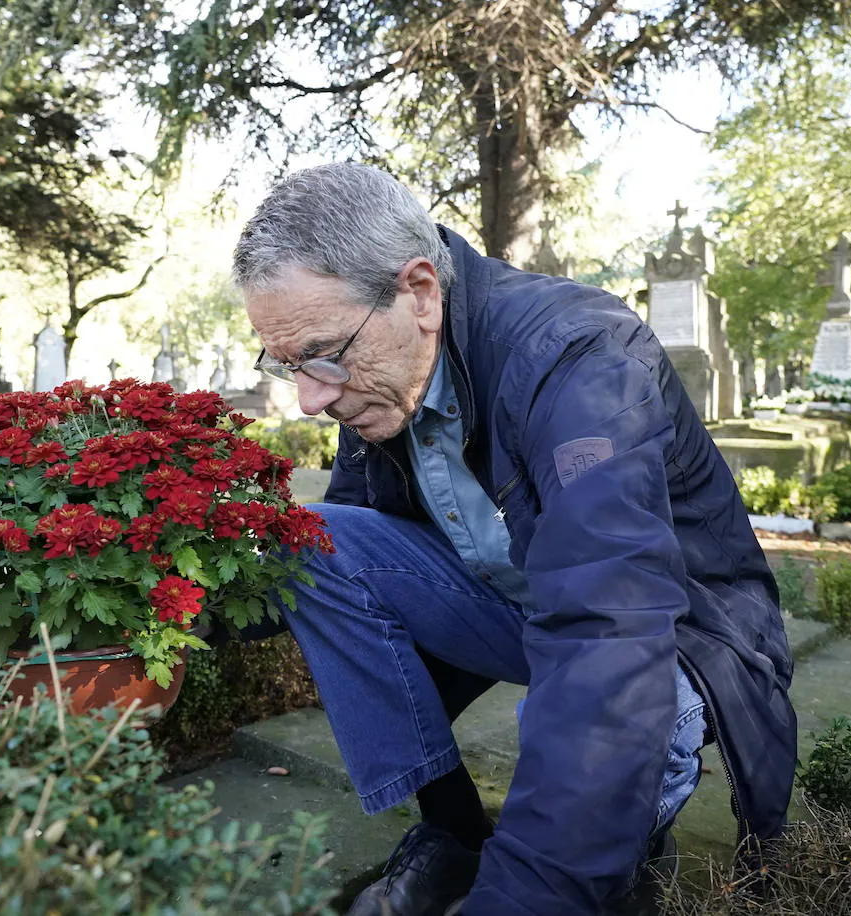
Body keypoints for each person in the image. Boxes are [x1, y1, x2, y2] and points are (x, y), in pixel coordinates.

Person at [232, 162, 797, 916]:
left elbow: (610, 626)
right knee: (317, 541)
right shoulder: (380, 378)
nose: (309, 398)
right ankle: (454, 833)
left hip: (675, 631)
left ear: (421, 293)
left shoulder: (579, 360)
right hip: (515, 607)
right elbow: (353, 554)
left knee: (591, 746)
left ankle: (622, 841)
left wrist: (528, 893)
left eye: (325, 354)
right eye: (288, 363)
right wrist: (168, 604)